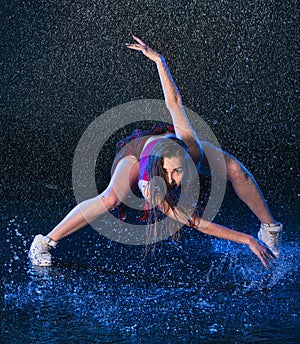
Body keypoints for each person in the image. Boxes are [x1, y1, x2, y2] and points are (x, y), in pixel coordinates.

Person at [29, 36, 282, 269]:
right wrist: (246, 239)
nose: (173, 180)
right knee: (111, 199)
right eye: (169, 174)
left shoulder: (192, 147)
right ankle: (45, 241)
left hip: (170, 145)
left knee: (235, 169)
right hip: (137, 153)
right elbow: (193, 221)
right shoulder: (151, 182)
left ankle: (271, 228)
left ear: (187, 159)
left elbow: (173, 103)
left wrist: (160, 61)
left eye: (178, 172)